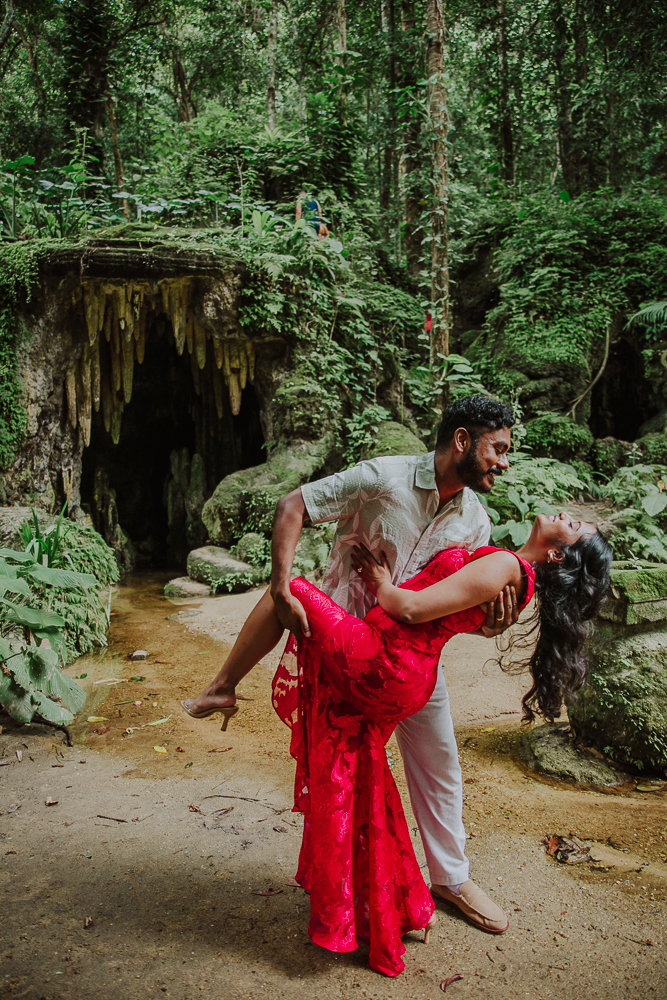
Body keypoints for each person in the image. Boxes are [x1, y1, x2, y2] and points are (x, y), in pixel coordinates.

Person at [184, 396, 519, 931]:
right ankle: (350, 895)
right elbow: (294, 504)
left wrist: (492, 623)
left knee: (440, 763)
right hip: (347, 649)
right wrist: (279, 583)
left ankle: (452, 879)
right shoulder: (383, 477)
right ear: (462, 440)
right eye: (498, 448)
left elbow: (458, 603)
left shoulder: (476, 521)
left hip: (409, 661)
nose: (504, 461)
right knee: (343, 777)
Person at [268, 512, 611, 975]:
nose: (569, 515)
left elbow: (410, 611)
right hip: (403, 667)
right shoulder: (506, 564)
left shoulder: (508, 569)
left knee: (288, 592)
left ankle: (223, 684)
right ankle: (394, 900)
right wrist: (486, 622)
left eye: (575, 527)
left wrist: (381, 581)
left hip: (388, 661)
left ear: (557, 554)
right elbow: (454, 609)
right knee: (365, 776)